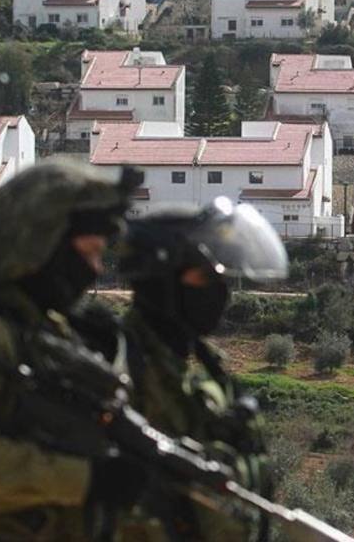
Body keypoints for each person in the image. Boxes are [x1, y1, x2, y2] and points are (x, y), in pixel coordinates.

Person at [0, 160, 145, 542]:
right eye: (89, 251)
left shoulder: (46, 330)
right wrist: (85, 479)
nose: (94, 269)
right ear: (42, 244)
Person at [114, 197, 288, 541]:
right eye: (203, 276)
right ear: (160, 282)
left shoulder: (202, 374)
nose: (218, 290)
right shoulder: (119, 371)